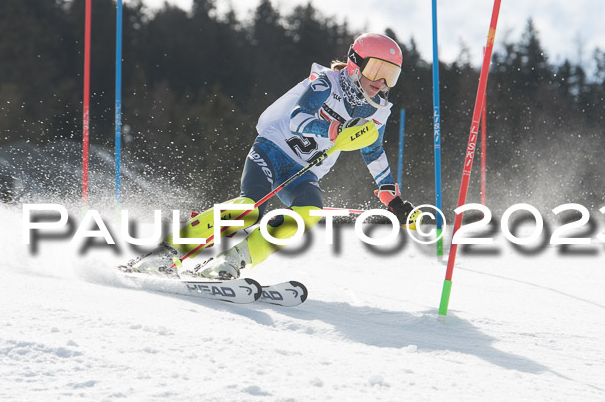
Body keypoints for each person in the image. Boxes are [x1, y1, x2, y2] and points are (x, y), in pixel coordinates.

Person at [128, 32, 417, 279]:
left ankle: (229, 261)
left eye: (390, 75)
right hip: (271, 151)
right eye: (376, 70)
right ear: (354, 62)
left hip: (304, 173)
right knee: (249, 208)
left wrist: (392, 197)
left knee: (309, 212)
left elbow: (373, 149)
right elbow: (298, 119)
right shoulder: (326, 83)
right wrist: (332, 130)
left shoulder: (378, 110)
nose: (381, 82)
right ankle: (167, 253)